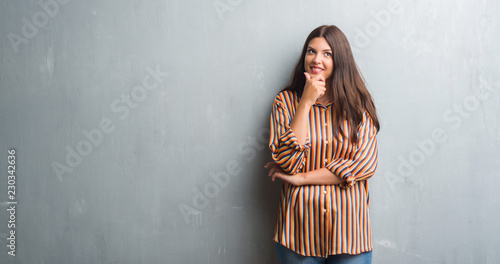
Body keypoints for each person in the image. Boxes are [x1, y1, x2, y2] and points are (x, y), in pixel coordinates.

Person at [265, 25, 380, 264]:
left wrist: (304, 179)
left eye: (327, 53)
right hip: (298, 235)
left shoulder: (359, 106)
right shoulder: (285, 102)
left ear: (340, 60)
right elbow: (288, 162)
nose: (316, 59)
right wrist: (306, 103)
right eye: (311, 51)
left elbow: (364, 165)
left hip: (350, 237)